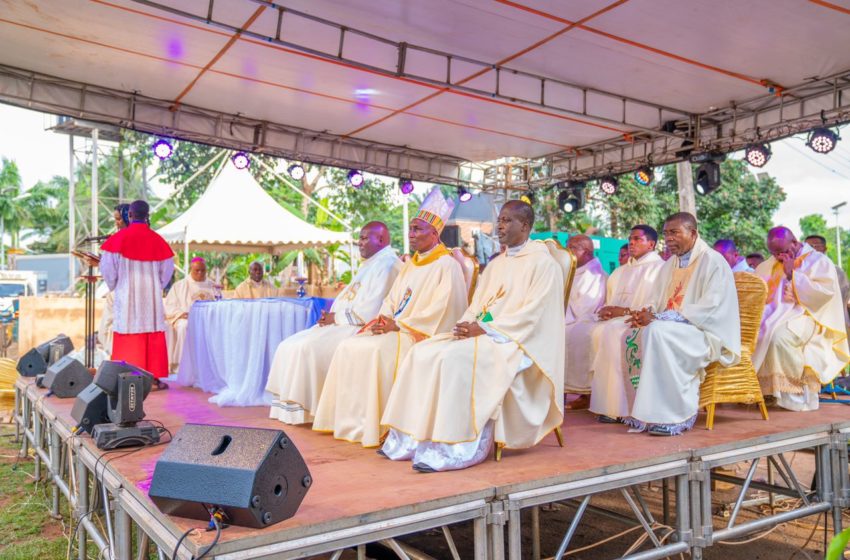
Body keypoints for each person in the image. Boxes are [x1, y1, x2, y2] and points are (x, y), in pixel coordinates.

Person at [380, 200, 564, 471]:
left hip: (516, 341)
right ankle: (408, 440)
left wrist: (487, 329)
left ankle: (454, 447)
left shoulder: (544, 265)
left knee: (453, 360)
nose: (500, 225)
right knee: (423, 351)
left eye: (507, 220)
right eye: (499, 219)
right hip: (485, 334)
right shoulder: (498, 264)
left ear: (525, 226)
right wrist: (467, 325)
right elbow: (477, 306)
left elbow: (534, 315)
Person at [312, 188, 468, 447]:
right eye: (410, 229)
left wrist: (402, 324)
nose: (411, 234)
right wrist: (383, 319)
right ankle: (352, 424)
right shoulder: (411, 265)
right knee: (348, 346)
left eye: (417, 229)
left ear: (434, 233)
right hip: (396, 328)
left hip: (420, 334)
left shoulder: (447, 266)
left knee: (373, 353)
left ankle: (378, 426)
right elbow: (391, 301)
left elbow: (443, 310)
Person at [265, 222, 401, 424]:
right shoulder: (372, 263)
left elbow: (371, 309)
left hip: (358, 327)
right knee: (288, 345)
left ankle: (311, 410)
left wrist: (335, 317)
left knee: (305, 348)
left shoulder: (389, 265)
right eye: (359, 238)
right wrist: (330, 317)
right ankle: (292, 409)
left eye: (364, 238)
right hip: (340, 323)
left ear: (381, 239)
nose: (360, 243)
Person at [625, 212, 740, 435]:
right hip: (673, 329)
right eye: (666, 233)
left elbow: (711, 308)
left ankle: (676, 416)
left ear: (693, 233)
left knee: (658, 331)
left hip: (705, 332)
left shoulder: (713, 261)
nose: (668, 238)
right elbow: (657, 301)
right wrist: (646, 313)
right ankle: (647, 414)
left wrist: (658, 318)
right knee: (632, 332)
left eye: (675, 232)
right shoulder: (670, 265)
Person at [753, 228, 850, 411]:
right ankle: (766, 392)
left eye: (782, 251)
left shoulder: (819, 261)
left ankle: (792, 394)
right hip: (774, 316)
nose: (778, 256)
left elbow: (825, 294)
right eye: (774, 252)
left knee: (779, 338)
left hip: (809, 316)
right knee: (755, 334)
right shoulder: (769, 264)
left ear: (795, 242)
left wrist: (793, 275)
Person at [588, 225, 665, 421]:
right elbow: (611, 301)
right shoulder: (620, 271)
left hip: (640, 321)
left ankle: (623, 408)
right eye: (631, 238)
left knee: (614, 333)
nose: (632, 242)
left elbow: (654, 306)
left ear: (651, 244)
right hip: (617, 320)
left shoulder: (659, 269)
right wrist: (606, 311)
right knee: (595, 331)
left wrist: (622, 312)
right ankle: (606, 405)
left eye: (638, 239)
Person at [99, 200, 174, 384]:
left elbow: (108, 270)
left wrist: (116, 284)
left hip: (127, 296)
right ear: (147, 216)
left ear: (130, 215)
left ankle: (128, 378)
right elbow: (167, 272)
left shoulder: (118, 240)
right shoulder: (158, 241)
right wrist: (156, 286)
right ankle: (153, 378)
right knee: (152, 327)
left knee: (128, 327)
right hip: (151, 298)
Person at [563, 234, 607, 409]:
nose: (568, 250)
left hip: (586, 320)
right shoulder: (571, 270)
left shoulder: (594, 274)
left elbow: (584, 308)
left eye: (573, 247)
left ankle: (585, 393)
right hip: (568, 318)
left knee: (575, 335)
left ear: (587, 252)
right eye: (568, 245)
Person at [163, 257, 216, 374]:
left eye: (203, 270)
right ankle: (182, 365)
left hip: (207, 320)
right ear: (191, 269)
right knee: (184, 326)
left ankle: (211, 366)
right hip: (185, 318)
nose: (200, 273)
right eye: (197, 270)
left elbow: (219, 304)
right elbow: (170, 306)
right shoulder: (179, 286)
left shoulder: (212, 286)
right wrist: (182, 314)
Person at [98, 203, 130, 355]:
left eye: (118, 219)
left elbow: (111, 273)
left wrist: (101, 264)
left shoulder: (120, 239)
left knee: (107, 329)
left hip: (123, 291)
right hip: (132, 292)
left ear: (127, 217)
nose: (116, 223)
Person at [804, 235, 850, 337]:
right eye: (807, 246)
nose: (811, 249)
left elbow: (841, 298)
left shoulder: (836, 271)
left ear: (824, 249)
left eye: (815, 246)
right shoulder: (801, 272)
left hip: (834, 320)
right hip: (809, 323)